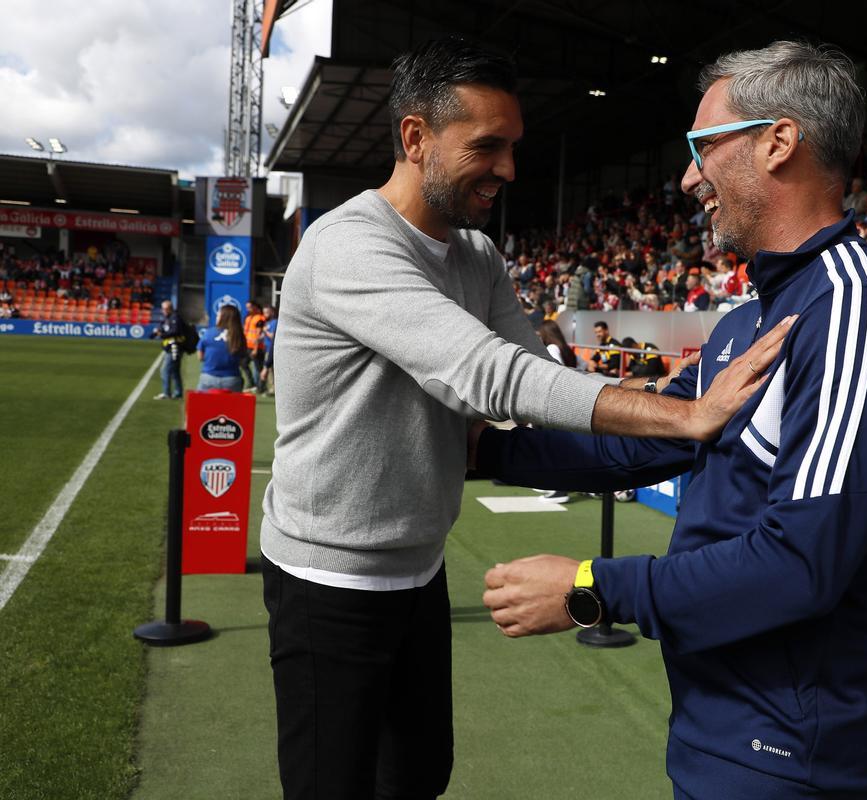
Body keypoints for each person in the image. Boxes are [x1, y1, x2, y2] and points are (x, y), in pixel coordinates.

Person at [260, 38, 792, 800]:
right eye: (487, 146)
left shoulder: (477, 256)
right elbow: (492, 375)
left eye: (513, 146)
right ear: (415, 139)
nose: (509, 169)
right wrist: (687, 418)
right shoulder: (346, 244)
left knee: (417, 778)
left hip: (417, 572)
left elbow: (544, 386)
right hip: (326, 578)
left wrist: (667, 413)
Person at [477, 39, 867, 800]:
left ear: (779, 141)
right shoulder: (750, 317)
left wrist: (591, 588)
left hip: (790, 757)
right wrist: (484, 453)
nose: (689, 175)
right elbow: (643, 442)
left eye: (703, 146)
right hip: (717, 726)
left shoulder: (856, 311)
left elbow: (801, 564)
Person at [197, 304, 247, 391]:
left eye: (218, 315)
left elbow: (200, 357)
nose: (216, 317)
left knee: (202, 404)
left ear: (223, 317)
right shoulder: (239, 336)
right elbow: (242, 360)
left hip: (208, 377)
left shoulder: (209, 333)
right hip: (232, 379)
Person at [151, 299, 184, 400]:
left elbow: (175, 331)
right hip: (170, 347)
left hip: (174, 348)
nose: (163, 311)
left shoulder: (175, 318)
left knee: (165, 370)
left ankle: (166, 393)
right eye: (163, 309)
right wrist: (155, 334)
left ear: (169, 309)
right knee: (174, 371)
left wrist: (163, 335)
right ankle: (178, 393)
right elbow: (162, 328)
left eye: (165, 309)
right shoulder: (167, 318)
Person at [242, 300, 265, 392]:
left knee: (259, 368)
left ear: (255, 307)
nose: (248, 309)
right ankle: (251, 383)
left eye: (250, 307)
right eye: (247, 307)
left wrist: (255, 349)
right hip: (248, 346)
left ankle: (261, 387)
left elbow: (258, 335)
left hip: (257, 347)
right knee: (243, 364)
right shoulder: (248, 318)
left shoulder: (259, 318)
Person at [259, 304, 278, 396]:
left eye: (267, 312)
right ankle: (268, 387)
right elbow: (263, 336)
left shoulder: (275, 322)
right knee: (268, 369)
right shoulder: (267, 322)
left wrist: (265, 331)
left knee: (270, 369)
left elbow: (273, 337)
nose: (265, 314)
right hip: (266, 348)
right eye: (264, 312)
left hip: (272, 349)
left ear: (272, 312)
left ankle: (273, 389)